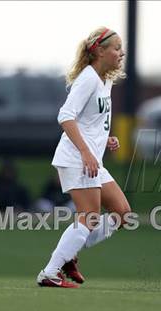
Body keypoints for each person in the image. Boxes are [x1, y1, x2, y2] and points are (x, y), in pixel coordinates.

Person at [37, 26, 130, 288]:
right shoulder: (88, 78)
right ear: (100, 51)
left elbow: (91, 120)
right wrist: (88, 151)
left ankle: (68, 254)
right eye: (116, 48)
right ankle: (51, 271)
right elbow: (65, 116)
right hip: (78, 158)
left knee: (122, 213)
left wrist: (106, 137)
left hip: (90, 159)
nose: (121, 53)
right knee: (89, 216)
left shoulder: (106, 79)